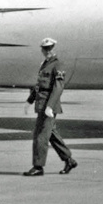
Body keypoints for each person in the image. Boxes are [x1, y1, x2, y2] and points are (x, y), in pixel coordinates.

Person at [23, 38, 78, 176]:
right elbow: (40, 85)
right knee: (51, 134)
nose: (47, 51)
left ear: (54, 49)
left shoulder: (58, 65)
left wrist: (50, 107)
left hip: (48, 104)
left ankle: (38, 167)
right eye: (45, 49)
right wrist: (29, 100)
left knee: (40, 136)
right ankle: (69, 160)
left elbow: (58, 87)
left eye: (50, 49)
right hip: (41, 103)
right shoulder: (45, 64)